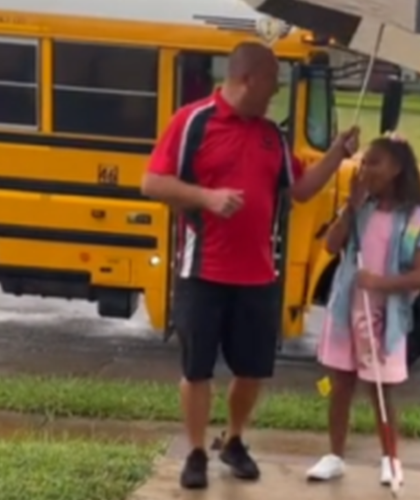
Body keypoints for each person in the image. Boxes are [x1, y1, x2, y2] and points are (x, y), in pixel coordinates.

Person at [141, 40, 359, 490]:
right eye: (273, 83)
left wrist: (338, 152)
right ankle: (197, 451)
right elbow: (152, 182)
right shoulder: (192, 123)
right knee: (197, 369)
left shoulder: (271, 137)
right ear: (249, 79)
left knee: (252, 369)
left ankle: (235, 440)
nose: (276, 92)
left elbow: (299, 190)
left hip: (258, 275)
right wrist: (206, 197)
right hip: (202, 272)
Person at [305, 132, 420, 484]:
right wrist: (351, 205)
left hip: (384, 321)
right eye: (363, 161)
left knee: (381, 391)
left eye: (374, 162)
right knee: (340, 384)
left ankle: (391, 459)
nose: (365, 168)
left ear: (397, 169)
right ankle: (335, 455)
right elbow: (332, 245)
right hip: (347, 313)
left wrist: (378, 283)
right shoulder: (360, 209)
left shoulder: (416, 219)